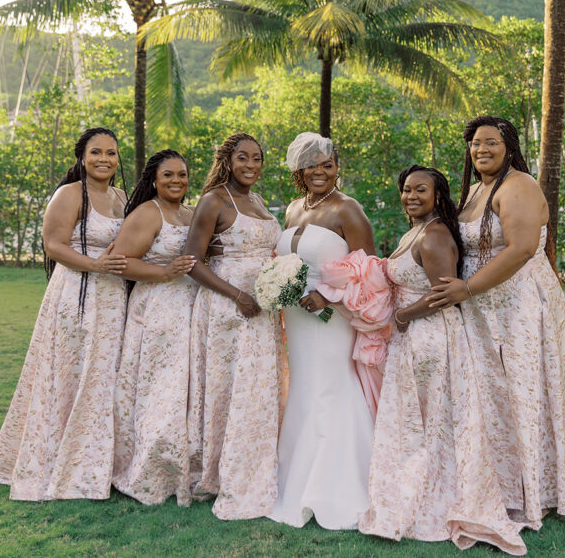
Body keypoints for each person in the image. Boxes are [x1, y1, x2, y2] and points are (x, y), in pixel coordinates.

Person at [428, 115, 565, 528]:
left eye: (491, 142)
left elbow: (521, 249)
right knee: (488, 393)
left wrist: (466, 289)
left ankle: (535, 488)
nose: (481, 149)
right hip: (483, 307)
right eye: (474, 143)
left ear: (509, 146)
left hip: (518, 307)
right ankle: (495, 481)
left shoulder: (518, 185)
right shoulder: (474, 190)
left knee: (522, 389)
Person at [360, 165, 526, 555]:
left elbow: (442, 295)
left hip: (430, 338)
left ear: (439, 196)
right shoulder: (417, 230)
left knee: (433, 423)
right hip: (415, 338)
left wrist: (401, 316)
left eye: (421, 190)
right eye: (405, 189)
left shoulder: (434, 236)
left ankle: (436, 495)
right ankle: (420, 485)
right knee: (426, 422)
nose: (411, 196)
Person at [0, 127, 129, 501]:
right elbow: (53, 245)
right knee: (71, 374)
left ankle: (97, 464)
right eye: (96, 152)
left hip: (113, 298)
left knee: (104, 376)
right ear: (82, 156)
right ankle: (57, 462)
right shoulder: (68, 195)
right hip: (76, 293)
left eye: (111, 153)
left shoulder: (121, 196)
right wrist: (95, 267)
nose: (104, 159)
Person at [269, 132, 377, 530]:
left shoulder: (348, 209)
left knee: (331, 387)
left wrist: (328, 298)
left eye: (327, 164)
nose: (320, 171)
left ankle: (336, 484)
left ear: (337, 168)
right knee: (303, 387)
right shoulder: (294, 208)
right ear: (299, 168)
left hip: (331, 316)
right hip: (296, 317)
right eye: (311, 164)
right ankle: (295, 477)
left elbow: (370, 272)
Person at [183, 133, 285, 520]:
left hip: (265, 309)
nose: (252, 165)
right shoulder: (214, 200)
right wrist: (237, 295)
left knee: (258, 389)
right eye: (243, 158)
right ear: (228, 160)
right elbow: (192, 261)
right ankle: (221, 473)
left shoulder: (256, 200)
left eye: (258, 158)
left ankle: (257, 464)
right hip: (230, 310)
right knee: (229, 389)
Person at [111, 149, 198, 505]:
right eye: (168, 176)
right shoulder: (148, 213)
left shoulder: (191, 214)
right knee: (161, 387)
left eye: (182, 175)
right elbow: (121, 261)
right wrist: (164, 273)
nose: (176, 181)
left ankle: (188, 465)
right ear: (154, 179)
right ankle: (152, 468)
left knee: (187, 386)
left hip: (191, 305)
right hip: (158, 308)